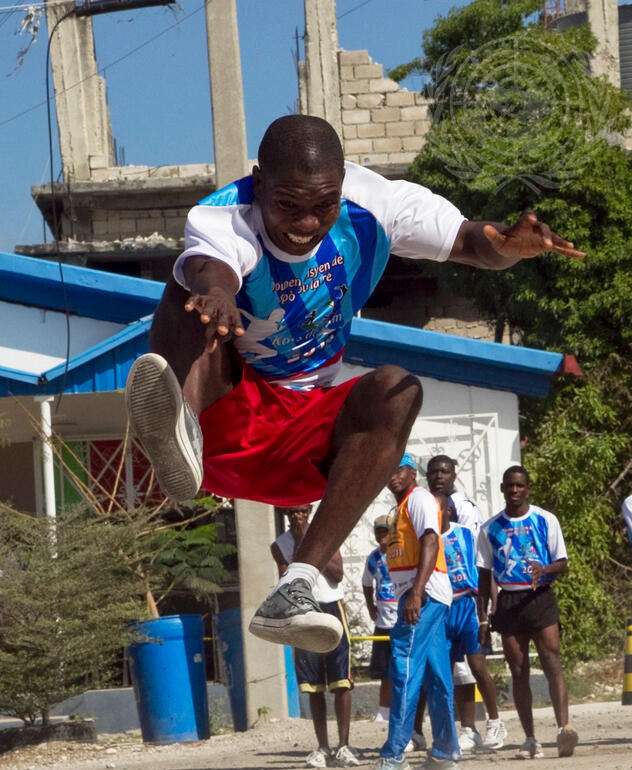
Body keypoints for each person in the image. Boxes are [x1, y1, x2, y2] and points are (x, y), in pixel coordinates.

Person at [124, 114, 583, 656]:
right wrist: (219, 294)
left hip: (308, 443)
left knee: (397, 388)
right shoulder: (225, 215)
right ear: (259, 182)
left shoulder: (378, 204)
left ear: (343, 183)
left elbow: (470, 241)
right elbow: (211, 265)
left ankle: (296, 588)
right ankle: (179, 429)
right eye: (287, 205)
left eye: (324, 205)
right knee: (187, 293)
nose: (306, 223)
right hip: (229, 417)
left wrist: (508, 245)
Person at [363, 454, 460, 770]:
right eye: (387, 470)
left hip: (424, 594)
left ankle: (394, 754)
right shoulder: (400, 508)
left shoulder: (418, 499)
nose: (391, 476)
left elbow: (431, 541)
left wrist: (416, 592)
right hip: (423, 593)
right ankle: (446, 752)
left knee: (403, 665)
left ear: (411, 472)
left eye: (398, 469)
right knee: (436, 674)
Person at [477, 465, 578, 759]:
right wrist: (483, 617)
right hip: (508, 600)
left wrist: (543, 569)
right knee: (518, 670)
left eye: (520, 485)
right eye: (510, 485)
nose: (514, 490)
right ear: (502, 488)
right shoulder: (489, 529)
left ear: (528, 488)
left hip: (540, 596)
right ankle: (530, 739)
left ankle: (564, 729)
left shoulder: (545, 519)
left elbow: (562, 563)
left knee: (551, 659)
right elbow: (484, 576)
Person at [271, 505, 359, 767]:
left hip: (331, 607)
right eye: (292, 512)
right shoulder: (280, 545)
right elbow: (290, 581)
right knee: (314, 684)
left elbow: (337, 574)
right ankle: (322, 746)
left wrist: (312, 544)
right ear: (285, 513)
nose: (297, 516)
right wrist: (300, 543)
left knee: (341, 680)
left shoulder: (328, 534)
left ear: (309, 510)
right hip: (304, 611)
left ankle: (344, 745)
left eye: (301, 511)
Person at [434, 491, 506, 750]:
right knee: (447, 672)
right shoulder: (426, 539)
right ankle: (464, 729)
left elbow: (484, 568)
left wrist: (490, 602)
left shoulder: (466, 533)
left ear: (448, 511)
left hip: (468, 603)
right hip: (442, 607)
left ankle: (495, 722)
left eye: (438, 508)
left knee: (477, 665)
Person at [361, 514, 397, 723]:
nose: (382, 535)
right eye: (379, 532)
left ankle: (408, 709)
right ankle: (384, 711)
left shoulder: (400, 552)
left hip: (401, 618)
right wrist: (370, 606)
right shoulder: (373, 558)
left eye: (386, 531)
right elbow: (366, 583)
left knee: (404, 667)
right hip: (383, 620)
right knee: (384, 670)